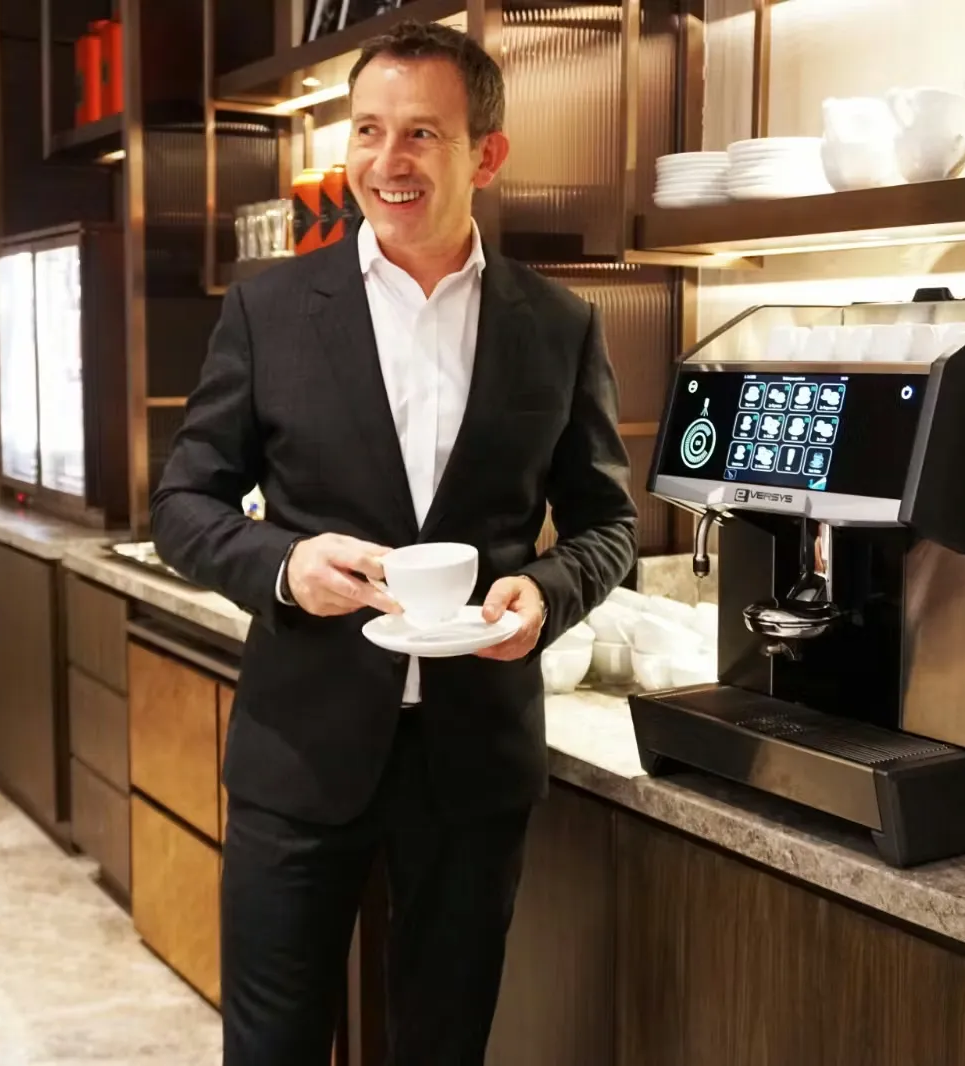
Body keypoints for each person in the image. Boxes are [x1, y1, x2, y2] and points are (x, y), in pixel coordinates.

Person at [150, 18, 638, 1066]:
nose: (387, 161)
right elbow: (182, 504)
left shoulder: (557, 325)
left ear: (486, 155)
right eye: (367, 131)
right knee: (272, 1045)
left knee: (443, 1044)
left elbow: (608, 524)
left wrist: (546, 592)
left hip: (473, 765)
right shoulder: (269, 310)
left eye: (421, 134)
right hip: (299, 752)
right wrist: (281, 563)